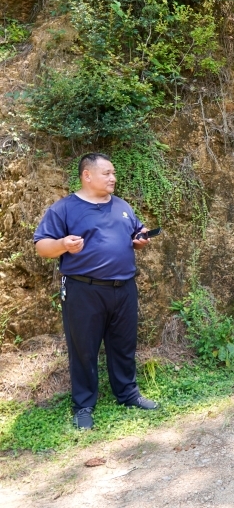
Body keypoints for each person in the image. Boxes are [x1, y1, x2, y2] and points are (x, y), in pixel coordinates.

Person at [33, 153, 158, 430]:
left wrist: (140, 239)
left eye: (114, 173)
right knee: (83, 349)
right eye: (107, 173)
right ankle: (84, 405)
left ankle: (128, 394)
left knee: (123, 345)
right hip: (83, 290)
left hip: (124, 288)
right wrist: (64, 244)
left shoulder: (122, 205)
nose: (113, 178)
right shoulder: (64, 209)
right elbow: (42, 246)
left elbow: (137, 232)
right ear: (87, 175)